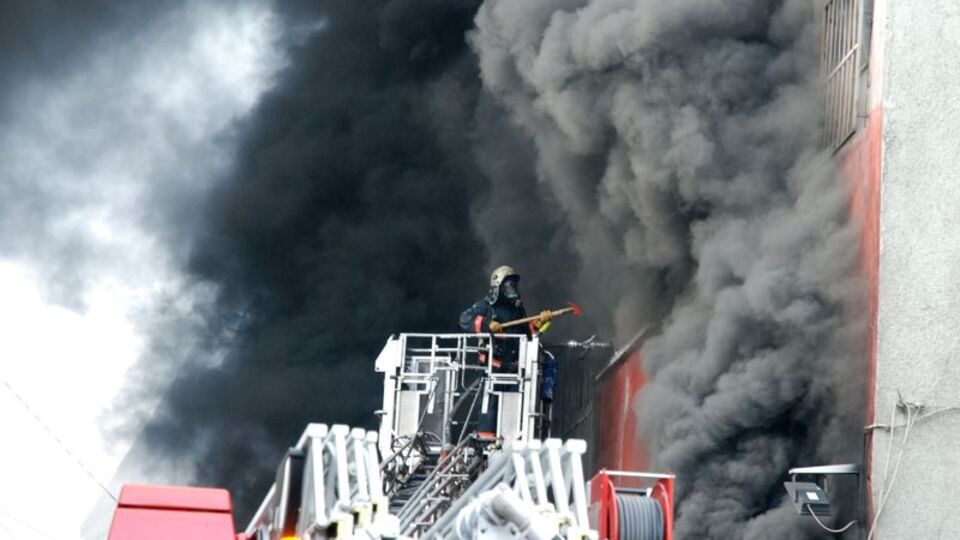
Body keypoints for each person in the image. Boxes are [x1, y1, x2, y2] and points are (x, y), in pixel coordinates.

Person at [459, 265, 552, 438]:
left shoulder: (517, 309)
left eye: (514, 285)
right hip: (492, 369)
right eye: (508, 284)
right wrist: (488, 325)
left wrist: (540, 322)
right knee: (489, 409)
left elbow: (527, 333)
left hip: (514, 369)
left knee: (513, 410)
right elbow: (464, 320)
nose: (513, 289)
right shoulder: (486, 305)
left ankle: (509, 440)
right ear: (498, 287)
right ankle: (485, 442)